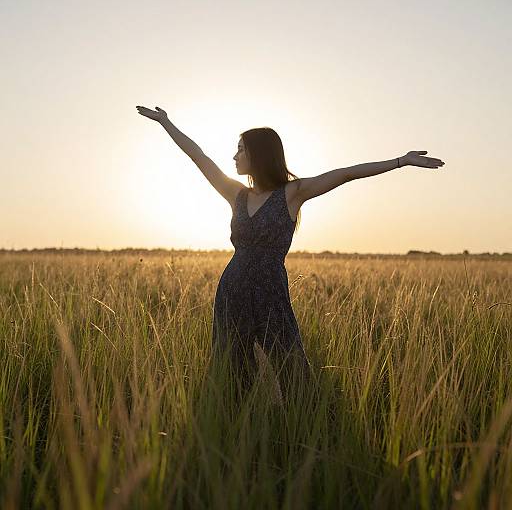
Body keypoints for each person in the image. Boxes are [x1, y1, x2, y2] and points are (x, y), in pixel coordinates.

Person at [136, 104, 445, 399]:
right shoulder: (236, 194)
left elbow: (345, 173)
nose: (234, 156)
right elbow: (198, 156)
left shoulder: (292, 193)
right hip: (232, 289)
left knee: (292, 366)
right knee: (230, 367)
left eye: (241, 149)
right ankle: (239, 426)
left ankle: (300, 427)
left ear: (259, 153)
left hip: (271, 290)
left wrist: (400, 161)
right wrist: (166, 123)